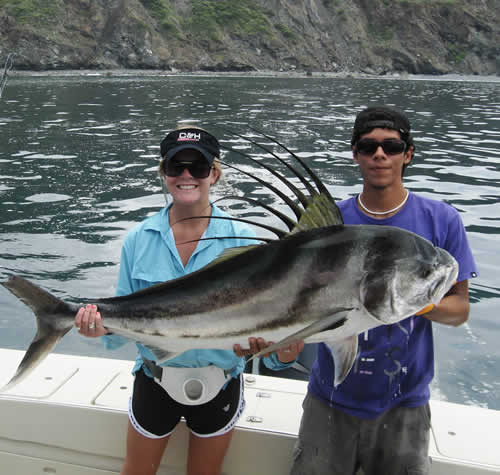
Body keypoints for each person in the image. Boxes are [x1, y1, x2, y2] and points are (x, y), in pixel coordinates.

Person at [74, 125, 301, 475]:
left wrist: (271, 347)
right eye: (175, 167)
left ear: (214, 173)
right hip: (154, 378)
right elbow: (121, 320)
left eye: (197, 167)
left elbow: (264, 325)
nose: (186, 176)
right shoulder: (139, 238)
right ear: (163, 172)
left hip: (221, 379)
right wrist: (97, 329)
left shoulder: (242, 239)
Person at [290, 106, 478, 475]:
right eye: (368, 146)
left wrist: (414, 303)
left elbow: (460, 308)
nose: (380, 155)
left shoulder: (441, 220)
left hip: (405, 405)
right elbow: (290, 295)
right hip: (329, 400)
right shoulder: (326, 222)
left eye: (391, 147)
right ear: (355, 154)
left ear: (408, 154)